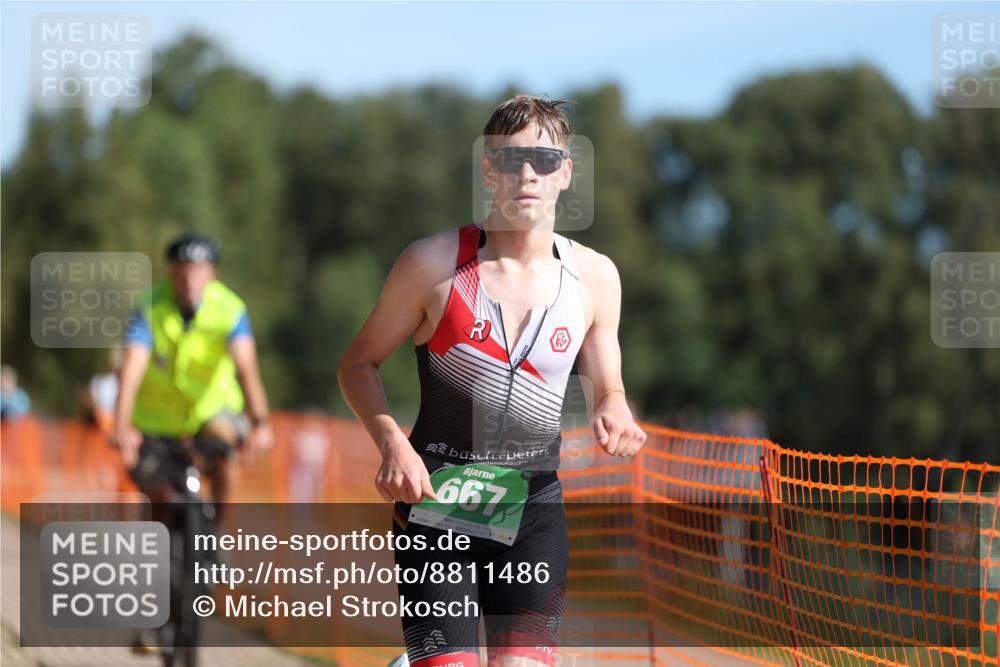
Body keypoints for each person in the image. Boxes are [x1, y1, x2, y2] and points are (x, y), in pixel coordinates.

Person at [338, 95, 646, 667]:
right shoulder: (433, 264)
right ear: (488, 170)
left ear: (567, 171)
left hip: (533, 510)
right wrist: (391, 443)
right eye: (510, 160)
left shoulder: (595, 277)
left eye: (545, 160)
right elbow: (357, 363)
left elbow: (609, 385)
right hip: (439, 503)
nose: (527, 174)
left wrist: (615, 407)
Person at [112, 233, 274, 522]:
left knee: (226, 448)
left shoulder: (230, 309)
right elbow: (130, 373)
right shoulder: (148, 309)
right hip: (154, 420)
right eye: (182, 273)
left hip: (209, 411)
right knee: (158, 497)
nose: (190, 281)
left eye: (199, 273)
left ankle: (217, 534)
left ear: (213, 273)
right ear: (170, 273)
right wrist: (122, 426)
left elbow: (247, 369)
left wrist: (260, 421)